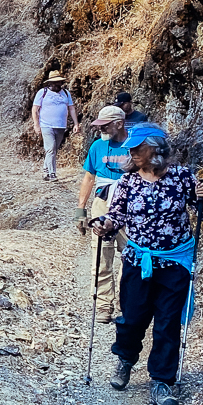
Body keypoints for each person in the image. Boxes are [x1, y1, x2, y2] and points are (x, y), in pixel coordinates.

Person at [90, 124, 203, 405]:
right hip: (138, 262)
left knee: (167, 322)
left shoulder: (183, 177)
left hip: (175, 262)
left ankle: (162, 381)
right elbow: (117, 216)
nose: (132, 152)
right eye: (131, 148)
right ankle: (125, 359)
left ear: (156, 147)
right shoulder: (127, 182)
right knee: (132, 318)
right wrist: (105, 226)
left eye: (138, 147)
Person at [76, 105, 132, 323]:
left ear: (119, 123)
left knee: (130, 257)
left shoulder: (135, 146)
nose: (102, 129)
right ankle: (103, 306)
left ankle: (127, 304)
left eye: (106, 125)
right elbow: (89, 177)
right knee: (101, 255)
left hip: (129, 207)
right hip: (102, 203)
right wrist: (80, 210)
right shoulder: (98, 146)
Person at [31, 70, 78, 181]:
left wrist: (76, 123)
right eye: (55, 82)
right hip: (46, 125)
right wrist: (36, 124)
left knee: (53, 149)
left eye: (59, 82)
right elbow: (35, 109)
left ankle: (46, 170)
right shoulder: (43, 92)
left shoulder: (66, 93)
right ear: (50, 83)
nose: (58, 85)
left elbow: (71, 108)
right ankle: (52, 174)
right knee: (51, 148)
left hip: (61, 126)